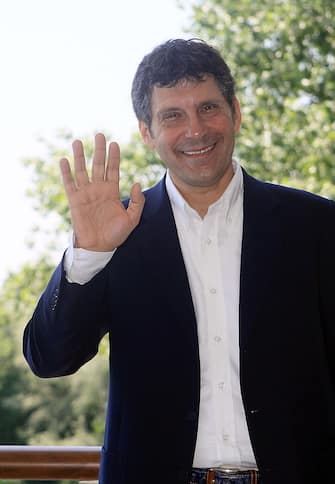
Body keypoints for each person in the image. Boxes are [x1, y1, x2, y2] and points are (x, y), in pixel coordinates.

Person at [23, 38, 335, 484]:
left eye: (208, 108)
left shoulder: (317, 226)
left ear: (236, 113)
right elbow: (48, 359)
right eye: (172, 115)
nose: (195, 130)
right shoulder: (116, 233)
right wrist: (89, 255)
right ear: (147, 133)